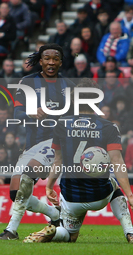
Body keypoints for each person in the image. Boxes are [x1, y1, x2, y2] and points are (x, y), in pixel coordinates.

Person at [23, 79, 133, 243]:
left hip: (71, 196)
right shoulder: (109, 127)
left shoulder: (61, 124)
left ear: (74, 100)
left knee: (70, 235)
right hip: (99, 195)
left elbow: (58, 161)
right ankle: (130, 233)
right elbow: (117, 163)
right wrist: (130, 195)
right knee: (113, 184)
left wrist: (48, 186)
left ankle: (55, 232)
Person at [0, 43, 75, 240]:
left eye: (55, 59)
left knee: (27, 177)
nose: (51, 62)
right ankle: (55, 215)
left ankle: (11, 231)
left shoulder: (69, 86)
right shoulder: (27, 83)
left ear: (61, 63)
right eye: (47, 58)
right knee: (16, 192)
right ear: (40, 61)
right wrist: (31, 112)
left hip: (56, 143)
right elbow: (17, 112)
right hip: (32, 144)